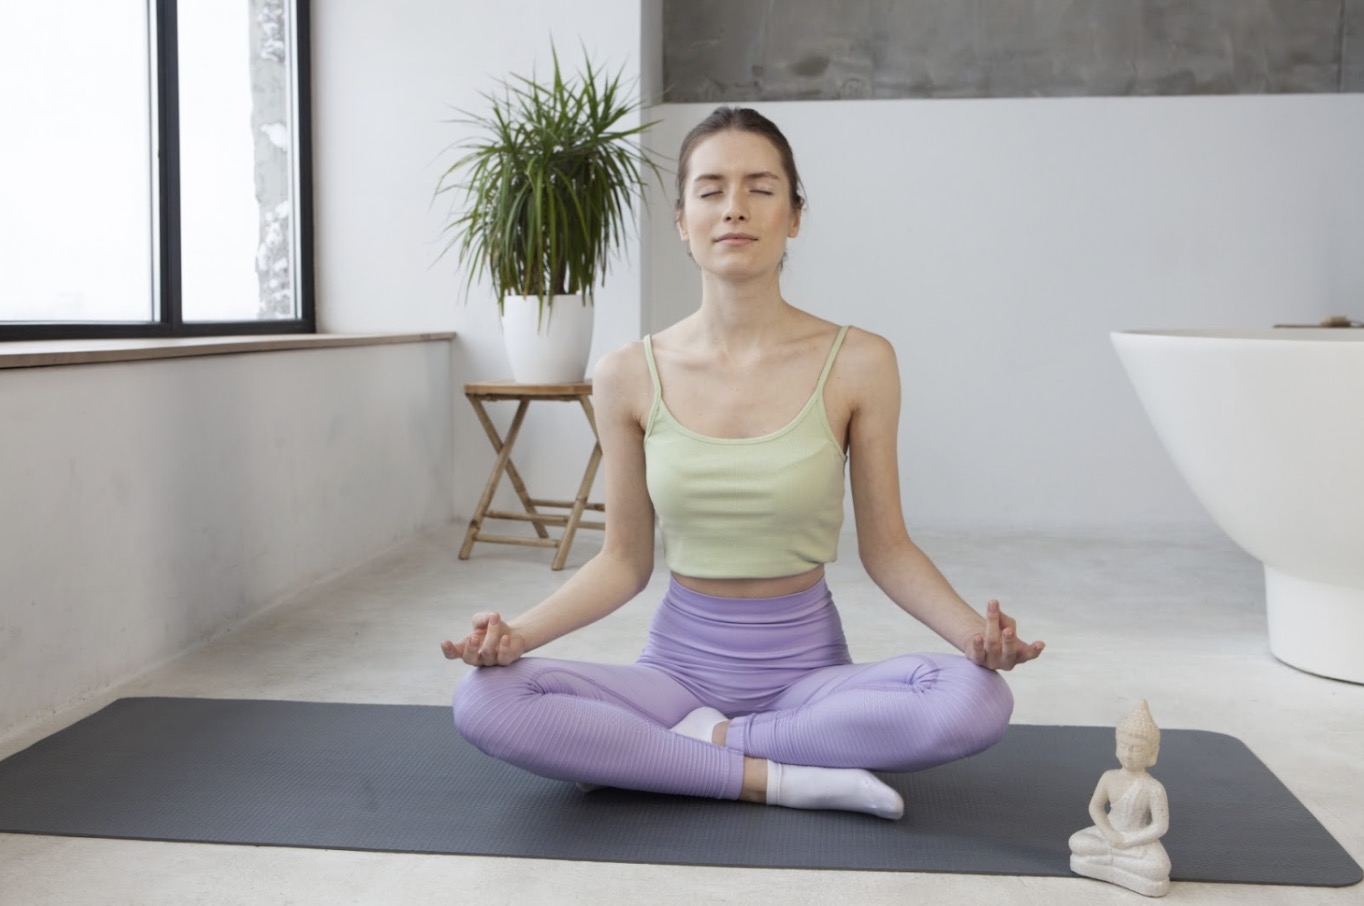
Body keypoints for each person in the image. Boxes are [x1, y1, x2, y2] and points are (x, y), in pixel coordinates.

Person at [442, 105, 1045, 820]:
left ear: (793, 216)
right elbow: (624, 562)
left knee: (977, 701)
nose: (735, 208)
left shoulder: (860, 361)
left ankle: (701, 748)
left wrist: (974, 636)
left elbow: (887, 549)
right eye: (711, 189)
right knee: (486, 700)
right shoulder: (627, 373)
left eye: (761, 188)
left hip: (809, 680)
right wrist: (517, 637)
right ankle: (782, 776)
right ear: (681, 220)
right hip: (674, 672)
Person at [1069, 700, 1172, 897]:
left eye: (1137, 749)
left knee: (1158, 868)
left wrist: (1128, 840)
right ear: (1117, 745)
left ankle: (1109, 859)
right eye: (1124, 746)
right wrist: (1110, 834)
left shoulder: (1154, 788)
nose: (1128, 753)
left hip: (1136, 840)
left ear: (1152, 753)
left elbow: (1160, 827)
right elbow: (1095, 808)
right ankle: (1113, 858)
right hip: (1108, 835)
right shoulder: (1109, 777)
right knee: (1076, 842)